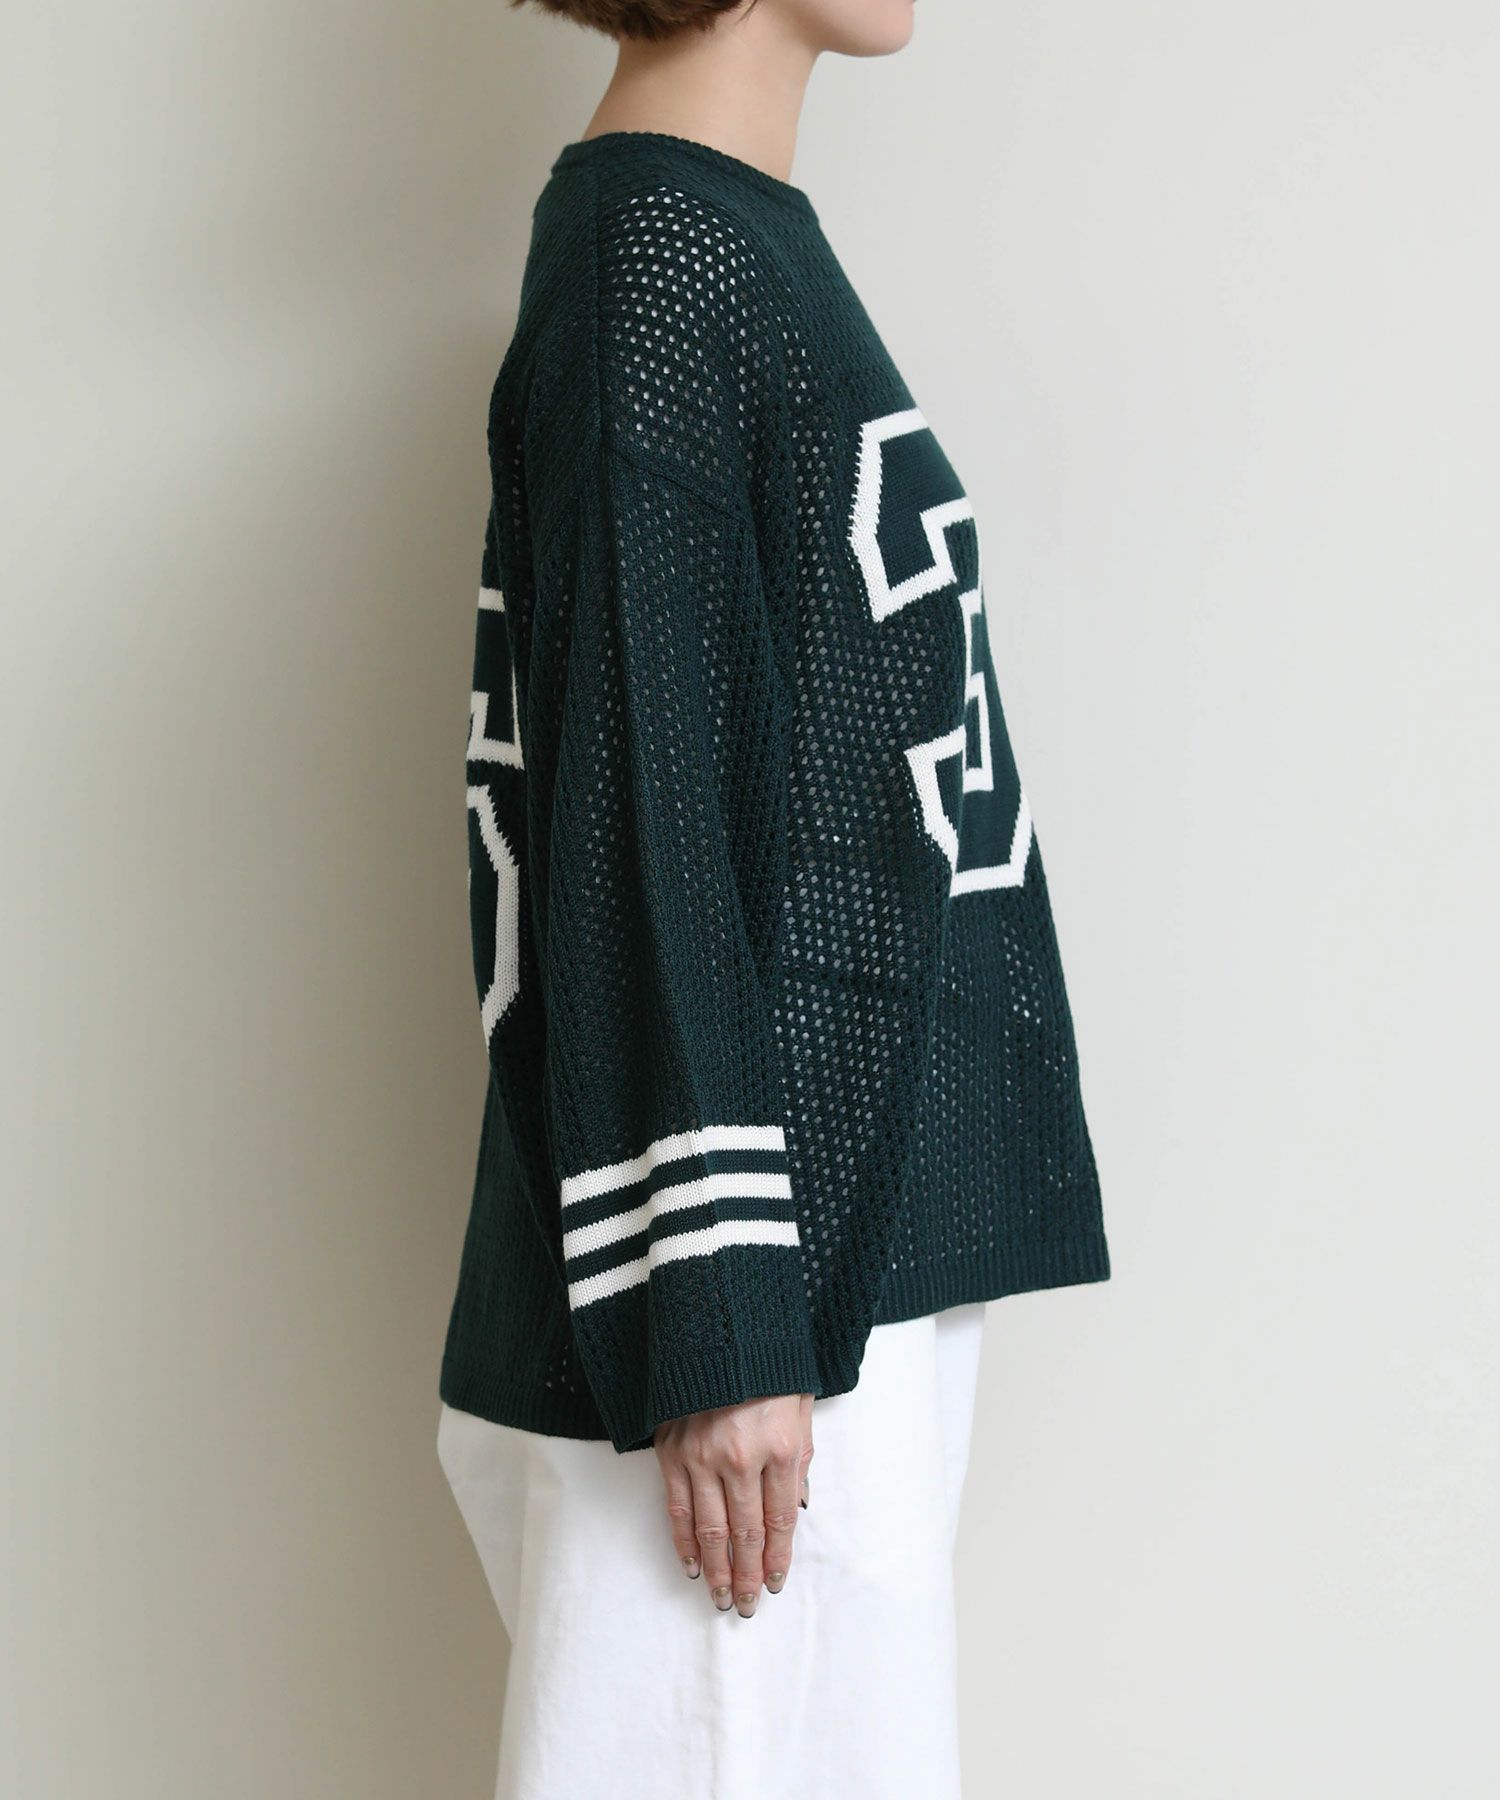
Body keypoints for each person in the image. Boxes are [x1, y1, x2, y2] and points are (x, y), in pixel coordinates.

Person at [436, 1, 1110, 1793]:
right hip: (748, 1324)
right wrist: (718, 1311)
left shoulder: (709, 236)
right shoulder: (655, 258)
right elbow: (633, 806)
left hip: (819, 1276)